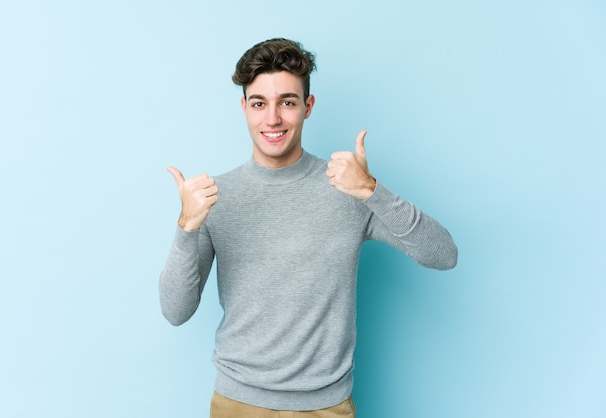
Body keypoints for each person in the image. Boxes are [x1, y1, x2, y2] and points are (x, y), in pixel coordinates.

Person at [159, 38, 458, 418]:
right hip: (238, 403)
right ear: (244, 108)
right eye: (259, 104)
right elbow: (175, 311)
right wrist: (186, 227)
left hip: (326, 406)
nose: (272, 119)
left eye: (287, 102)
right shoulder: (214, 198)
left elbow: (443, 255)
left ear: (307, 107)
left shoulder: (348, 187)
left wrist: (372, 190)